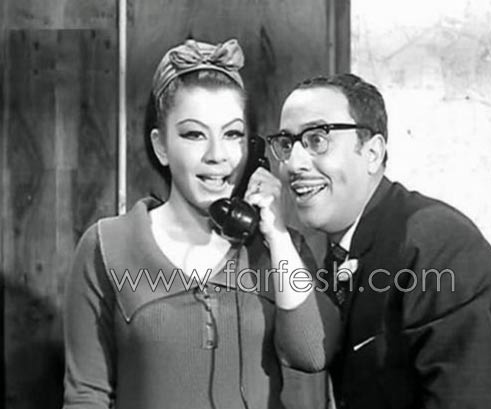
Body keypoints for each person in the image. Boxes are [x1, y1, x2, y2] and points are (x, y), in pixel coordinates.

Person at [63, 38, 340, 409]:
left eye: (232, 134)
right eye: (194, 134)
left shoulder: (279, 249)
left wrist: (276, 235)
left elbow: (310, 353)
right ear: (161, 146)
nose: (217, 155)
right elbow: (86, 396)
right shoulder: (108, 245)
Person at [267, 73, 491, 409]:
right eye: (286, 144)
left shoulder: (439, 244)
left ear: (372, 152)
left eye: (317, 139)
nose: (294, 164)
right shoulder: (339, 247)